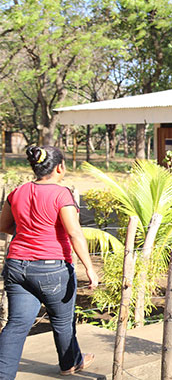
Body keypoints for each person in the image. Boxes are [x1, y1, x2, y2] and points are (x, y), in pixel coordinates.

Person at [0, 146, 98, 378]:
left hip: (16, 266)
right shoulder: (61, 194)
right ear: (59, 168)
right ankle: (70, 364)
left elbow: (3, 226)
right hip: (51, 269)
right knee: (63, 323)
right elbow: (74, 233)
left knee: (16, 325)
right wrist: (90, 268)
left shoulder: (17, 192)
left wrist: (28, 233)